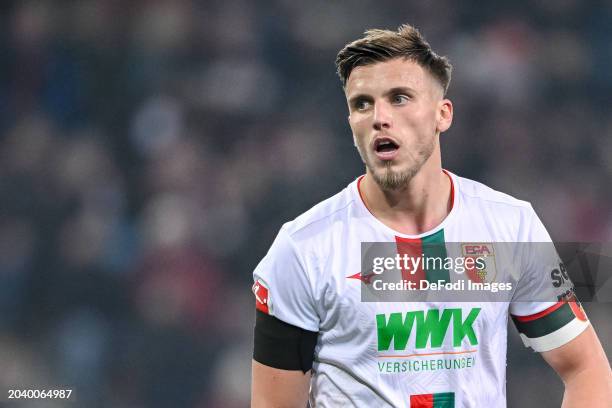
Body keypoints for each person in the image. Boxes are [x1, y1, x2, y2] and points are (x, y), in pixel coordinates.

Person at [250, 24, 612, 407]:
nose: (379, 117)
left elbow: (586, 369)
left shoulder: (509, 227)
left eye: (399, 98)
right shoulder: (304, 247)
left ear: (443, 115)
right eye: (362, 104)